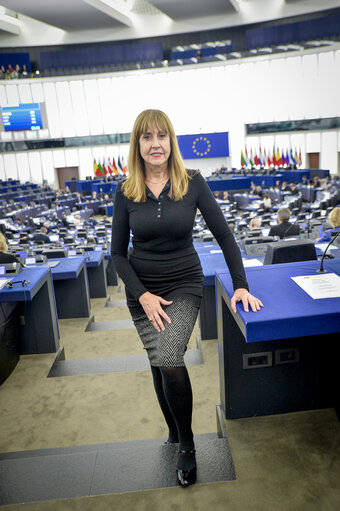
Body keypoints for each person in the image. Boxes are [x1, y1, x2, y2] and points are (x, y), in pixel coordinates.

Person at [111, 109, 263, 488]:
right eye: (147, 137)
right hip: (142, 289)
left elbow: (225, 236)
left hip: (183, 283)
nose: (155, 143)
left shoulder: (192, 181)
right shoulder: (125, 188)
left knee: (169, 357)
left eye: (162, 136)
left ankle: (188, 444)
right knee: (158, 361)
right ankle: (174, 429)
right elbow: (116, 253)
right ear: (138, 144)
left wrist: (241, 283)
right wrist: (142, 295)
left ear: (171, 141)